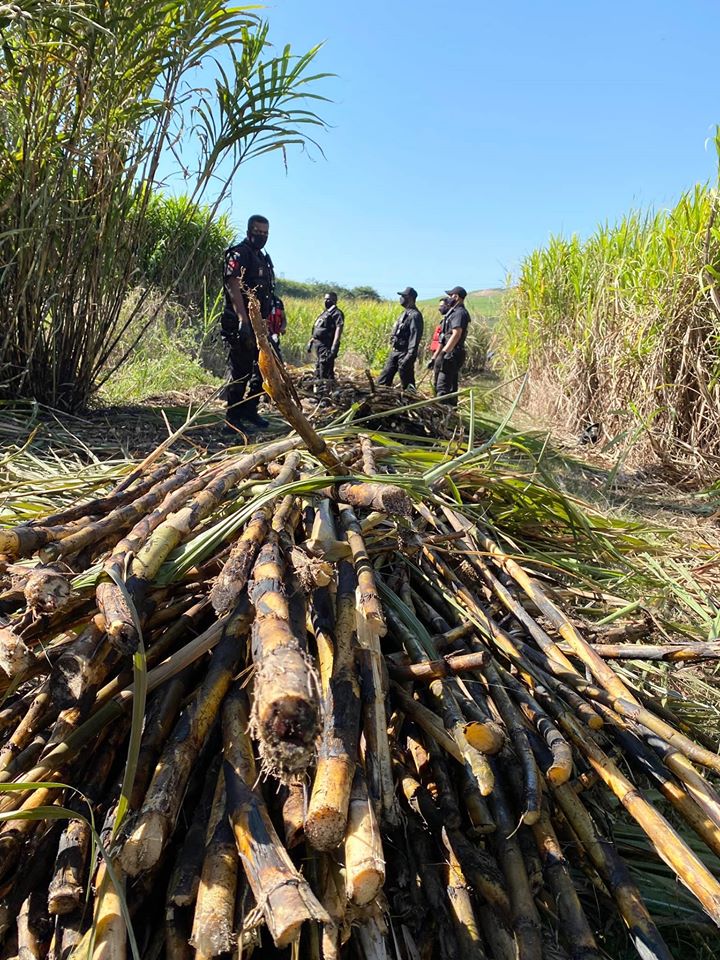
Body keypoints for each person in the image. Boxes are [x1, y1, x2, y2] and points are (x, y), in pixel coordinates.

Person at [221, 214, 275, 432]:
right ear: (248, 231)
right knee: (241, 371)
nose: (261, 236)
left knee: (266, 369)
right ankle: (232, 419)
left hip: (259, 326)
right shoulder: (239, 253)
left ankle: (249, 409)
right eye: (257, 232)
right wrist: (243, 319)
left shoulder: (262, 257)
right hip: (240, 323)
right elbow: (233, 285)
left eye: (265, 233)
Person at [378, 287, 423, 390]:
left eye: (403, 296)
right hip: (395, 352)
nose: (401, 298)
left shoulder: (415, 316)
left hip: (405, 353)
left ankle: (411, 404)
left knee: (407, 384)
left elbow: (415, 337)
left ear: (410, 298)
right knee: (383, 380)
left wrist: (409, 356)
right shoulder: (404, 314)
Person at [435, 286, 471, 405]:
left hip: (452, 353)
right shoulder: (455, 312)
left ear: (456, 297)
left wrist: (444, 353)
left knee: (442, 387)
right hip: (454, 352)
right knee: (451, 387)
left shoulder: (459, 313)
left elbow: (456, 334)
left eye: (451, 296)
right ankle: (452, 413)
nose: (449, 298)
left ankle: (442, 414)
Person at [306, 291, 344, 381]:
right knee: (319, 366)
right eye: (325, 299)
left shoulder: (336, 313)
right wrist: (311, 341)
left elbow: (339, 328)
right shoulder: (325, 313)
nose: (326, 301)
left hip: (327, 344)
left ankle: (326, 389)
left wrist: (334, 346)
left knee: (325, 366)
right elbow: (317, 328)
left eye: (328, 299)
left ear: (334, 300)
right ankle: (320, 387)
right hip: (318, 344)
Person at [427, 296, 452, 387]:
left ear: (448, 306)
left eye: (442, 306)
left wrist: (441, 354)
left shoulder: (452, 320)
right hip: (438, 353)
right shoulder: (443, 321)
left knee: (442, 382)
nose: (439, 308)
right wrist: (433, 357)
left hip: (444, 354)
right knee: (436, 378)